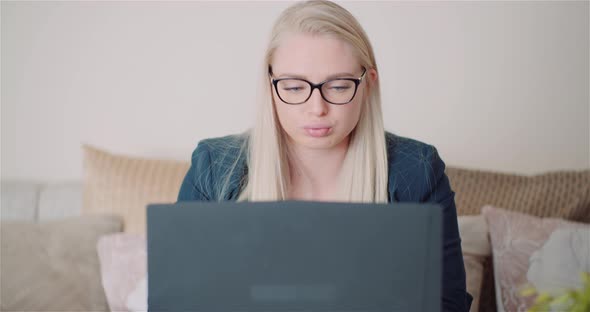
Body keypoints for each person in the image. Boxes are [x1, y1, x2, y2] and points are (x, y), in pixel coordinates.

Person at [177, 0, 472, 310]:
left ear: (368, 84)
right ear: (270, 86)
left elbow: (446, 305)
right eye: (292, 88)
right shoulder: (212, 167)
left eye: (339, 86)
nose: (317, 108)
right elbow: (177, 298)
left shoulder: (419, 171)